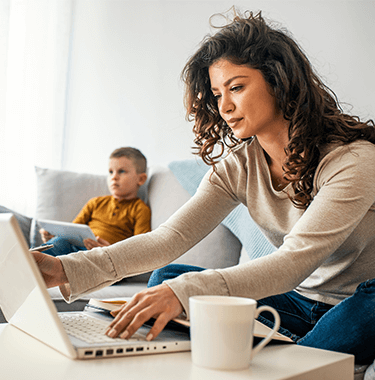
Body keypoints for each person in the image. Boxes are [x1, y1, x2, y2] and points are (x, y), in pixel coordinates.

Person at [32, 10, 375, 368]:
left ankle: (291, 353)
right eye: (216, 93)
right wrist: (64, 268)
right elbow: (169, 239)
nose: (224, 106)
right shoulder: (239, 165)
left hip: (361, 299)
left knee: (184, 292)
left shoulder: (353, 161)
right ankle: (284, 349)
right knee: (167, 278)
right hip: (296, 301)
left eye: (237, 87)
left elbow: (293, 262)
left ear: (279, 81)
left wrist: (184, 293)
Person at [39, 146, 151, 256]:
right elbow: (72, 230)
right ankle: (33, 261)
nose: (114, 177)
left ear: (141, 179)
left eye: (121, 171)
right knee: (59, 242)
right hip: (75, 247)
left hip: (104, 256)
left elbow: (140, 249)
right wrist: (52, 236)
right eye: (111, 172)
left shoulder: (140, 209)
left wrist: (109, 251)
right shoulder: (96, 202)